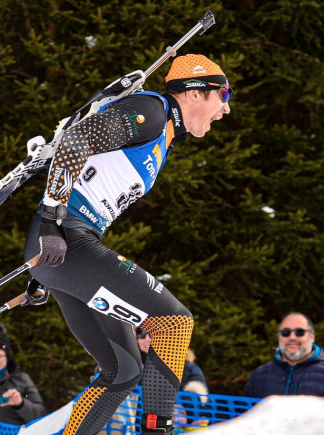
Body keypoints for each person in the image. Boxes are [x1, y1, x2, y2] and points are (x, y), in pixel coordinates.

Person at [21, 54, 232, 435]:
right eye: (223, 94)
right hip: (66, 238)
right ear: (196, 93)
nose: (226, 108)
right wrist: (52, 218)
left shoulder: (164, 138)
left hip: (63, 250)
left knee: (124, 371)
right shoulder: (152, 110)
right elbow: (76, 139)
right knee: (174, 323)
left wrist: (45, 272)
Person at [243, 313, 324, 398]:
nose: (292, 337)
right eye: (286, 332)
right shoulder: (259, 376)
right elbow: (244, 419)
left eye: (299, 332)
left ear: (312, 336)